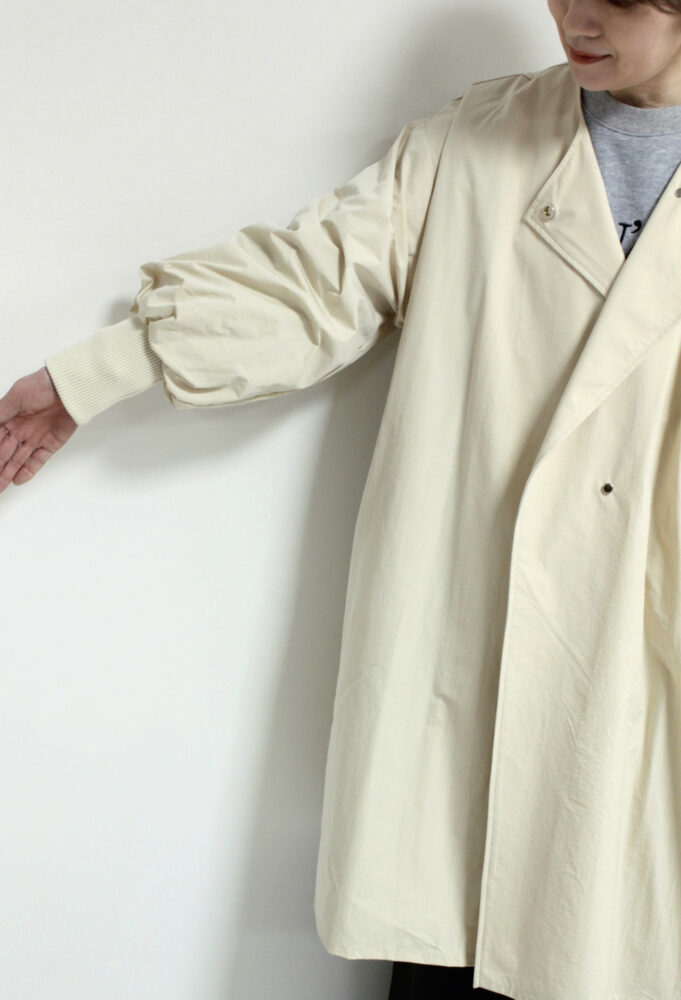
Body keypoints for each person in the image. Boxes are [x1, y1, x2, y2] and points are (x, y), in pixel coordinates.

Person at [4, 2, 681, 998]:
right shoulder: (475, 139)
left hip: (641, 653)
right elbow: (315, 281)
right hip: (474, 657)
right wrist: (99, 370)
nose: (574, 15)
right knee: (462, 936)